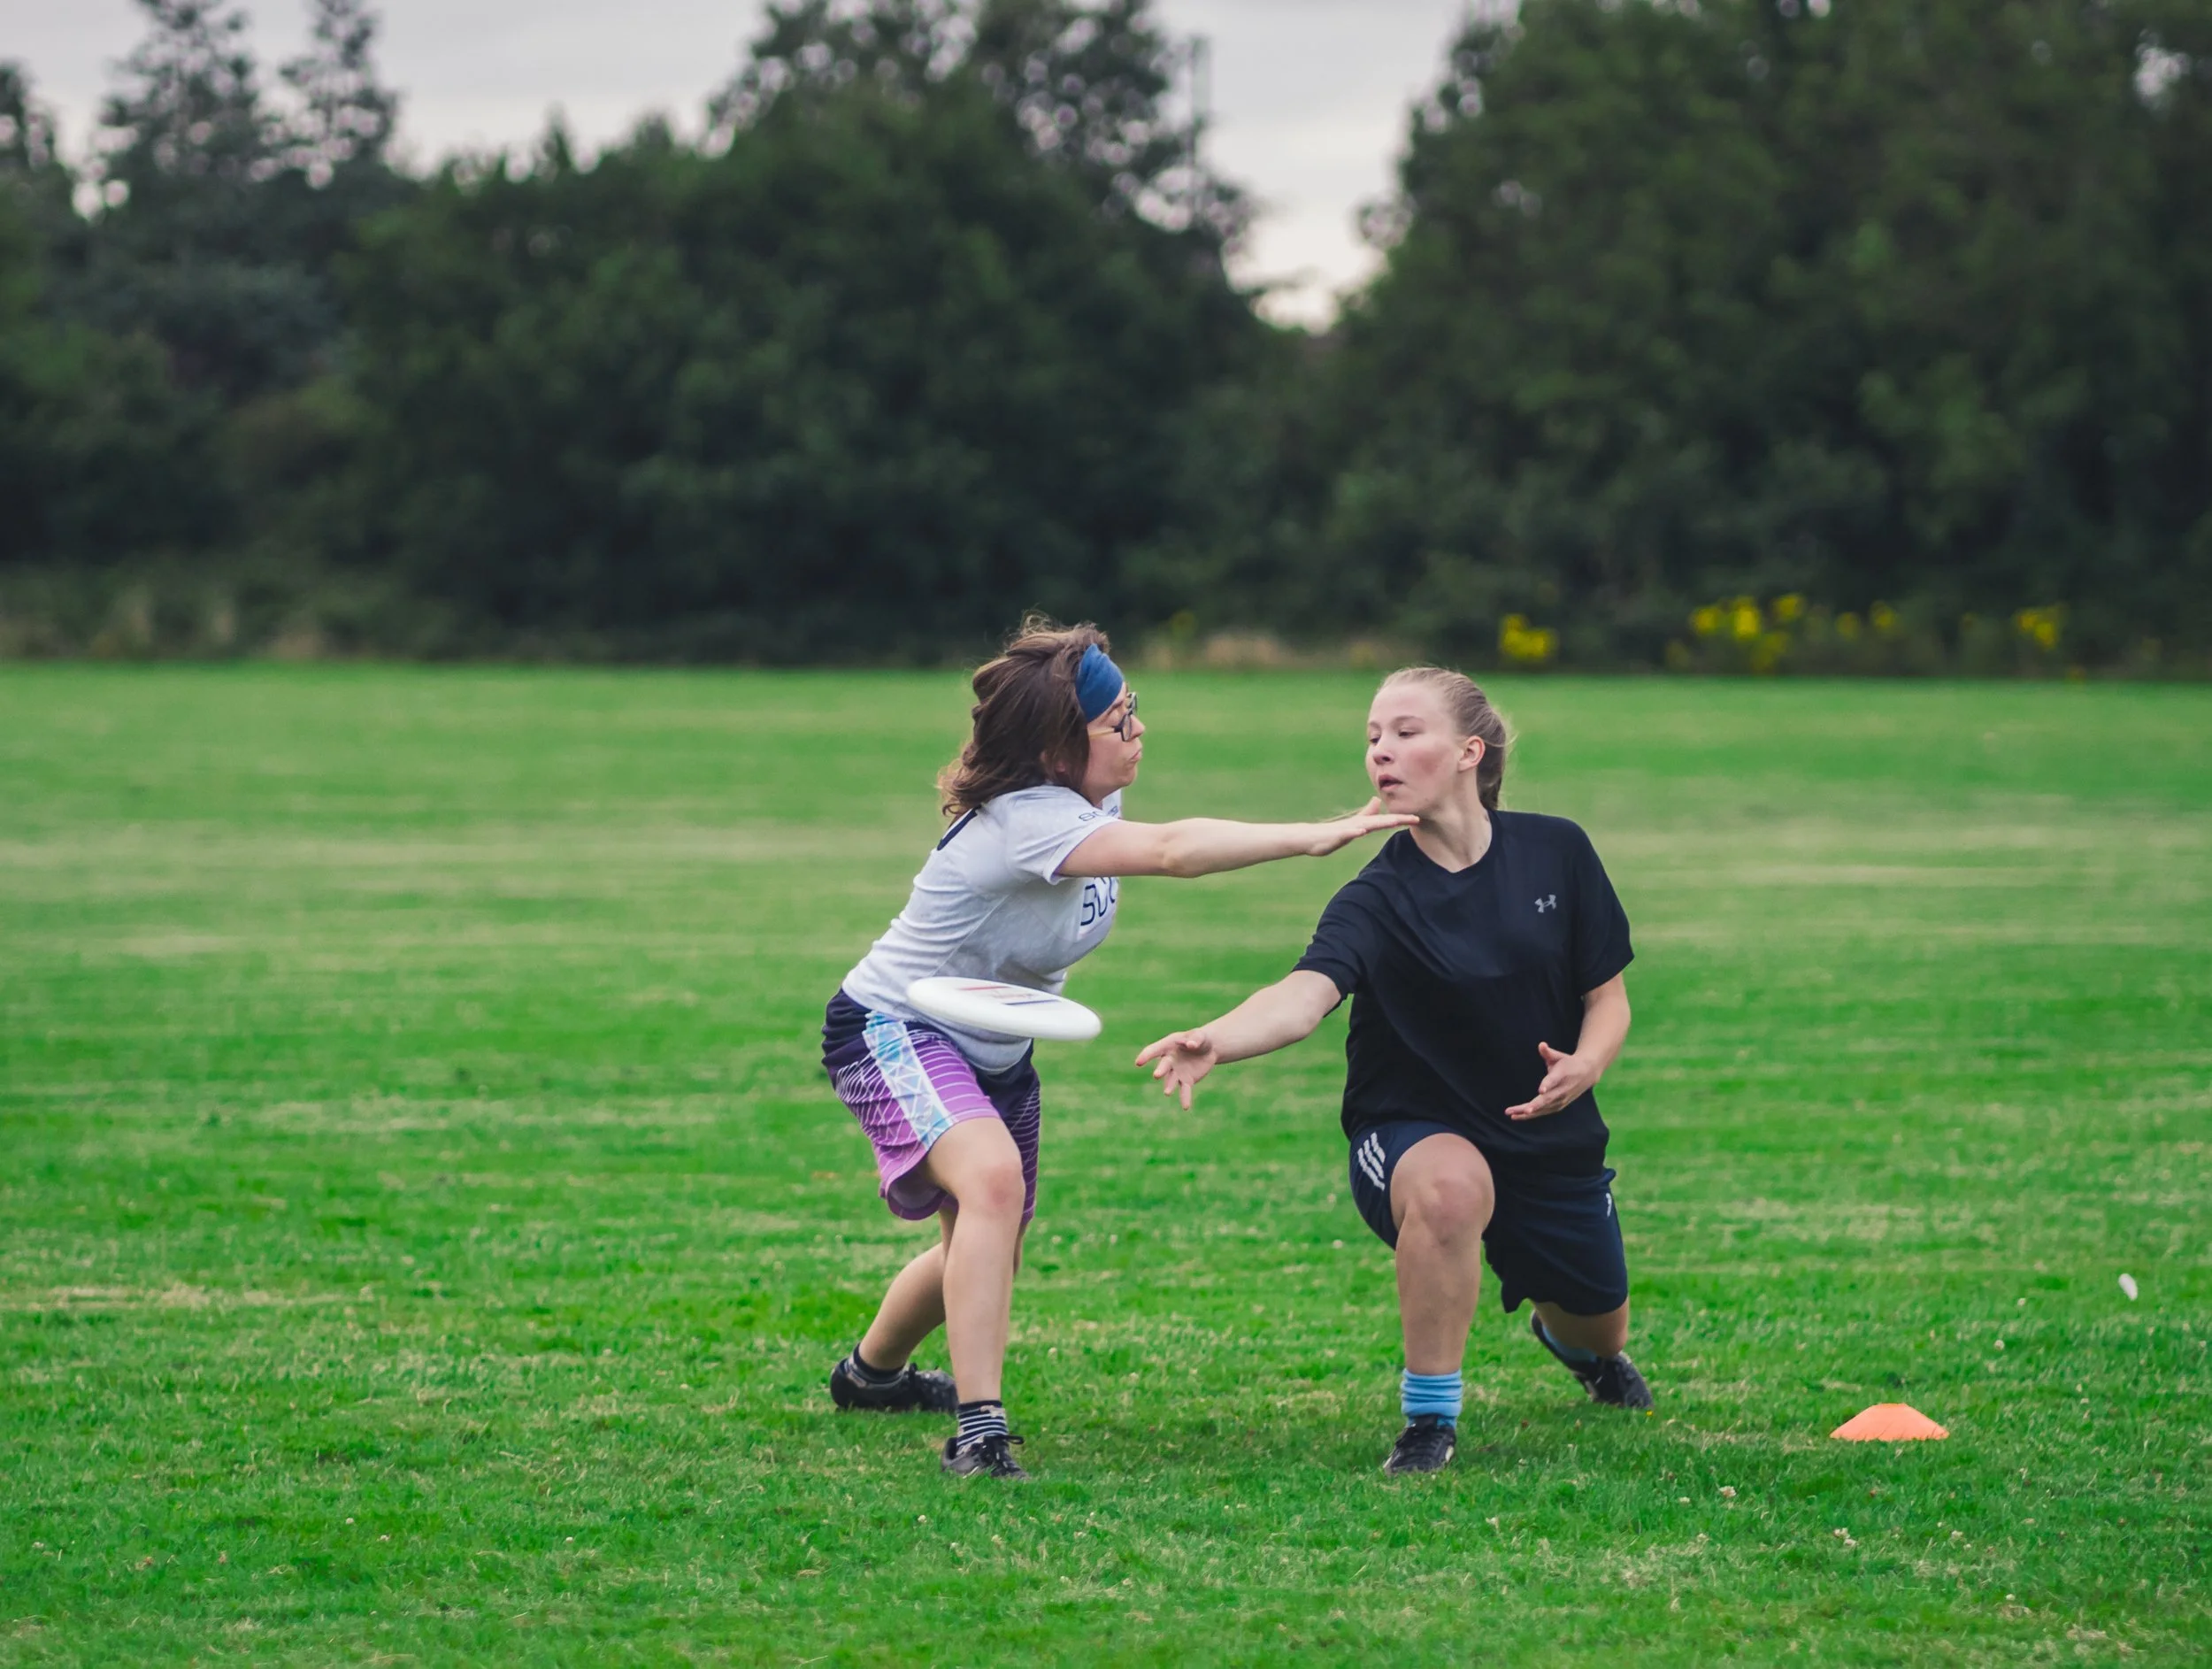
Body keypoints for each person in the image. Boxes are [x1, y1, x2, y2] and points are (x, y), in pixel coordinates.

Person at [821, 618, 1413, 1480]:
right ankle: (980, 1433)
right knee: (992, 1185)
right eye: (1119, 720)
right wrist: (1312, 834)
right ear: (1056, 749)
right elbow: (1172, 851)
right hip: (893, 1026)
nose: (1140, 730)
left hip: (994, 1045)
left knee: (988, 1240)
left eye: (1135, 707)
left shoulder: (1090, 798)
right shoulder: (1028, 817)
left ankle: (870, 1375)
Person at [1136, 666, 1648, 1476]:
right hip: (1413, 1129)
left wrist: (1587, 1063)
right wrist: (1219, 1040)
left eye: (1407, 733)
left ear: (1469, 752)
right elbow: (1302, 997)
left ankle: (1572, 1343)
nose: (1382, 750)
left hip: (1547, 1137)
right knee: (1450, 1192)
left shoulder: (1558, 851)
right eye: (1374, 736)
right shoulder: (1376, 896)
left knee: (1600, 1325)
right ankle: (1429, 1420)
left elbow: (1607, 999)